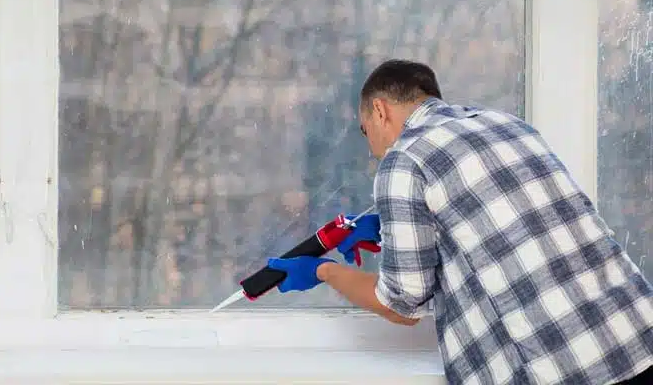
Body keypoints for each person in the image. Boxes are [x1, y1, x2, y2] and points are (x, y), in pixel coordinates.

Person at [267, 59, 653, 384]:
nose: (372, 149)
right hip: (637, 337)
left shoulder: (404, 159)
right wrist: (392, 230)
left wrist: (323, 272)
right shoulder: (505, 125)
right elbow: (502, 225)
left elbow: (401, 305)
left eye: (366, 131)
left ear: (380, 110)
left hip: (561, 368)